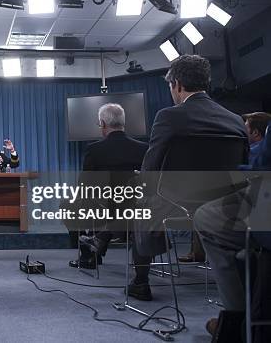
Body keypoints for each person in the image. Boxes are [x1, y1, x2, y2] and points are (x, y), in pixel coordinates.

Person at [129, 54, 247, 302]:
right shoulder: (236, 122)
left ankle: (140, 282)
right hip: (224, 207)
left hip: (176, 204)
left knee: (141, 202)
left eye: (170, 87)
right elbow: (243, 170)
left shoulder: (168, 117)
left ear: (178, 85)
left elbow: (150, 169)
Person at [195, 122, 271, 337]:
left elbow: (263, 166)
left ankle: (236, 319)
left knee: (207, 218)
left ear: (177, 85)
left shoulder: (167, 119)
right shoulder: (230, 121)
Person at [72, 104, 148, 269]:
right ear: (123, 123)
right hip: (138, 208)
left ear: (102, 123)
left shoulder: (94, 149)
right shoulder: (143, 148)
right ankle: (102, 241)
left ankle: (90, 255)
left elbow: (85, 184)